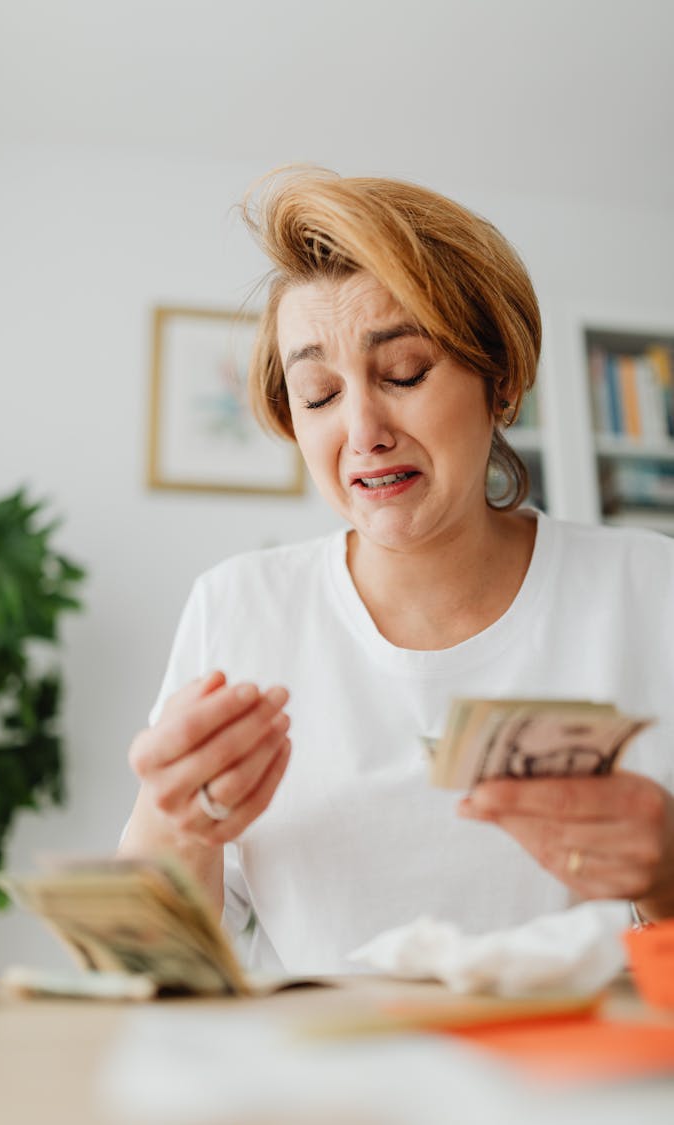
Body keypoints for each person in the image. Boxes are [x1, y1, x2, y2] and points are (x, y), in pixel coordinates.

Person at [121, 168, 674, 974]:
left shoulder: (649, 590)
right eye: (317, 394)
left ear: (503, 382)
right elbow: (147, 970)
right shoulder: (239, 606)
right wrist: (175, 821)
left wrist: (665, 873)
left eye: (405, 374)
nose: (362, 430)